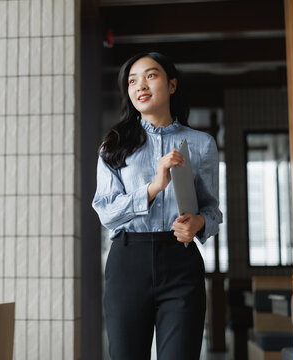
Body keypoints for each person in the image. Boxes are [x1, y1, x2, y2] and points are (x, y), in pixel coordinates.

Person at [92, 52, 223, 360]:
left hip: (181, 262)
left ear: (172, 85)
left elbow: (213, 211)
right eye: (132, 80)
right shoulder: (113, 145)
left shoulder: (201, 144)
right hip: (128, 262)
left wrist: (198, 223)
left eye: (151, 76)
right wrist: (154, 186)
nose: (141, 85)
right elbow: (106, 212)